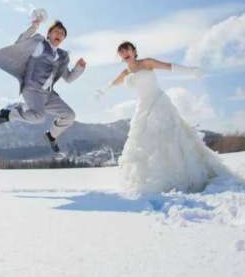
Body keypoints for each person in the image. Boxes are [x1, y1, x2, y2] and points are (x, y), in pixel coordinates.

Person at [97, 41, 232, 194]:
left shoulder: (146, 63)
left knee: (169, 139)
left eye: (127, 49)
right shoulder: (126, 72)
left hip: (158, 102)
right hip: (142, 108)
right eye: (121, 52)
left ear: (134, 51)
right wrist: (102, 91)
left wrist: (191, 71)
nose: (124, 53)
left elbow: (168, 66)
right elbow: (113, 83)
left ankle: (181, 176)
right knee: (144, 142)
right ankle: (154, 178)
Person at [0, 9, 86, 153]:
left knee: (70, 115)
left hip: (48, 95)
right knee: (39, 117)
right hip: (32, 89)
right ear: (49, 34)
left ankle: (52, 135)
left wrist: (79, 68)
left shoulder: (62, 57)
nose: (59, 35)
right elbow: (20, 42)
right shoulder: (39, 45)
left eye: (62, 34)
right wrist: (34, 27)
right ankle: (10, 113)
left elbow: (68, 78)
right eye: (56, 31)